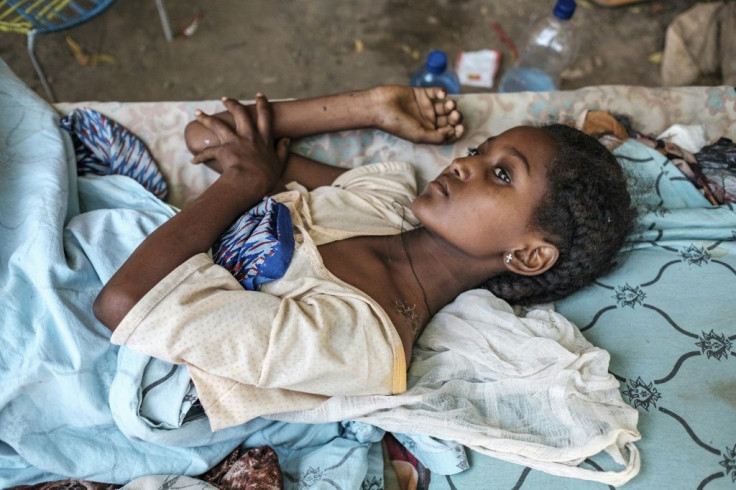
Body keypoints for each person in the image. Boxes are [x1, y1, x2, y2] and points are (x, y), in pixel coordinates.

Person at [93, 86, 635, 430]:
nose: (463, 165)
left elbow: (121, 301)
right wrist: (370, 107)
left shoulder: (361, 340)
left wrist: (247, 180)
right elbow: (210, 135)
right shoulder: (384, 199)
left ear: (529, 254)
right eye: (477, 151)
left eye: (500, 174)